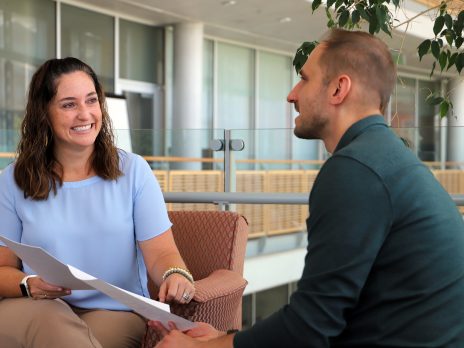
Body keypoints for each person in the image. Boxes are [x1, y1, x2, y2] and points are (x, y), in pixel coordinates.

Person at [149, 29, 464, 347]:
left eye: (304, 78)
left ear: (339, 88)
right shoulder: (387, 158)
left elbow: (309, 330)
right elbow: (330, 315)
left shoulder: (355, 170)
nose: (292, 94)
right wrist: (226, 340)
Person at [0, 57, 195, 348]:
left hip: (113, 311)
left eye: (91, 101)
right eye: (68, 104)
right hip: (36, 305)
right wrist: (27, 284)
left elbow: (162, 254)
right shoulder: (11, 180)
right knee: (50, 317)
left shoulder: (134, 171)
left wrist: (175, 274)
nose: (84, 114)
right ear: (44, 113)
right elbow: (2, 269)